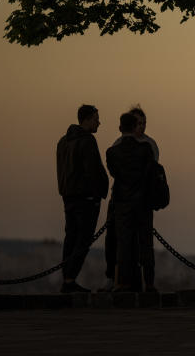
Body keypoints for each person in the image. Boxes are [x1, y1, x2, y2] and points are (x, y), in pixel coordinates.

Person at [103, 105, 160, 291]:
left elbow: (115, 174)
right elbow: (150, 173)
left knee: (123, 244)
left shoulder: (112, 152)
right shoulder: (146, 149)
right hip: (142, 202)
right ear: (135, 125)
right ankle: (149, 284)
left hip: (122, 202)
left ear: (120, 128)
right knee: (146, 243)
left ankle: (122, 283)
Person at [56, 104, 109, 293]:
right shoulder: (87, 141)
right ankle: (70, 279)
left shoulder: (63, 141)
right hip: (86, 198)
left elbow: (61, 171)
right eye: (96, 118)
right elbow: (93, 170)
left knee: (71, 237)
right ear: (86, 119)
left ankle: (67, 279)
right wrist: (99, 192)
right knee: (83, 239)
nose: (99, 122)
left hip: (69, 197)